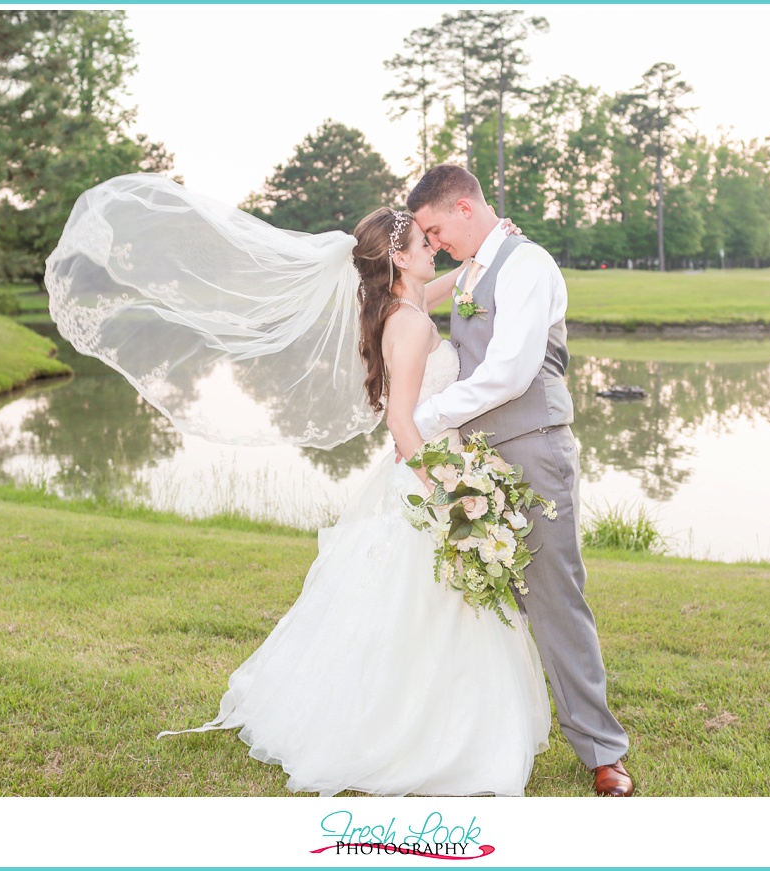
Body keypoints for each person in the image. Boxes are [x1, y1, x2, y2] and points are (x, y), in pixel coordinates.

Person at [45, 178, 551, 796]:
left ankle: (378, 713)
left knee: (401, 605)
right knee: (429, 605)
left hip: (407, 474)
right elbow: (402, 422)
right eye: (425, 241)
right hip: (425, 474)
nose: (436, 248)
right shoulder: (412, 327)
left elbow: (435, 295)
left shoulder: (398, 311)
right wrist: (449, 491)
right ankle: (419, 731)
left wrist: (481, 259)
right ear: (398, 256)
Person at [407, 164, 634, 797]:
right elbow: (408, 299)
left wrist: (421, 420)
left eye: (435, 229)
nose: (434, 242)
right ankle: (478, 734)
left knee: (556, 598)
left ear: (463, 207)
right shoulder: (476, 267)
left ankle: (602, 752)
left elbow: (508, 372)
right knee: (478, 597)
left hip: (533, 449)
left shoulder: (528, 265)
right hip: (477, 459)